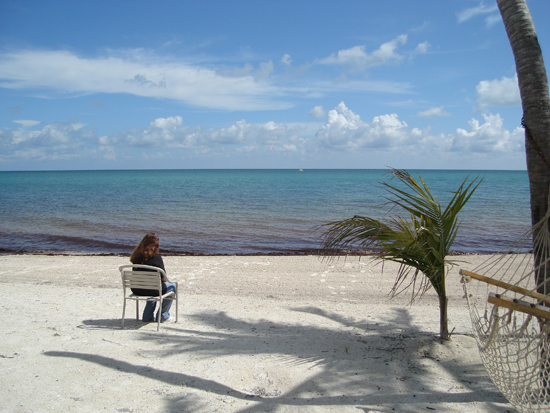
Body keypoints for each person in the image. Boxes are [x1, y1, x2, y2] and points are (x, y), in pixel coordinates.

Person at [129, 233, 176, 322]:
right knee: (173, 286)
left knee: (153, 286)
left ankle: (147, 316)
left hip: (137, 288)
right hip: (152, 288)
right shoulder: (156, 258)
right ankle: (163, 315)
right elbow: (163, 279)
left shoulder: (136, 257)